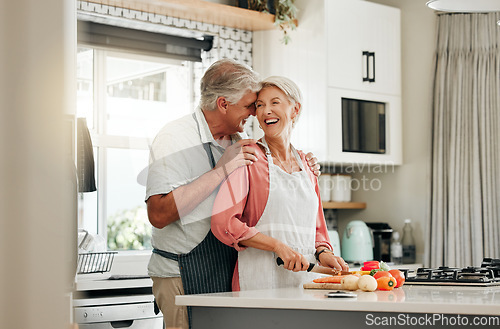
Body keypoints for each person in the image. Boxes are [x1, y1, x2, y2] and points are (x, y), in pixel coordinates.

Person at [145, 60, 320, 329]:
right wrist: (221, 170)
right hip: (181, 273)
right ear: (224, 104)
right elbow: (158, 214)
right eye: (251, 105)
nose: (254, 113)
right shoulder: (176, 137)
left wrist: (304, 165)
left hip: (223, 270)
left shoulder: (238, 142)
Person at [211, 76, 349, 292]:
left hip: (306, 284)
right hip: (258, 283)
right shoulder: (248, 158)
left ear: (295, 110)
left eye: (275, 103)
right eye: (260, 105)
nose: (266, 111)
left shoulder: (307, 166)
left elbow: (317, 228)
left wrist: (325, 253)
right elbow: (223, 222)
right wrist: (277, 246)